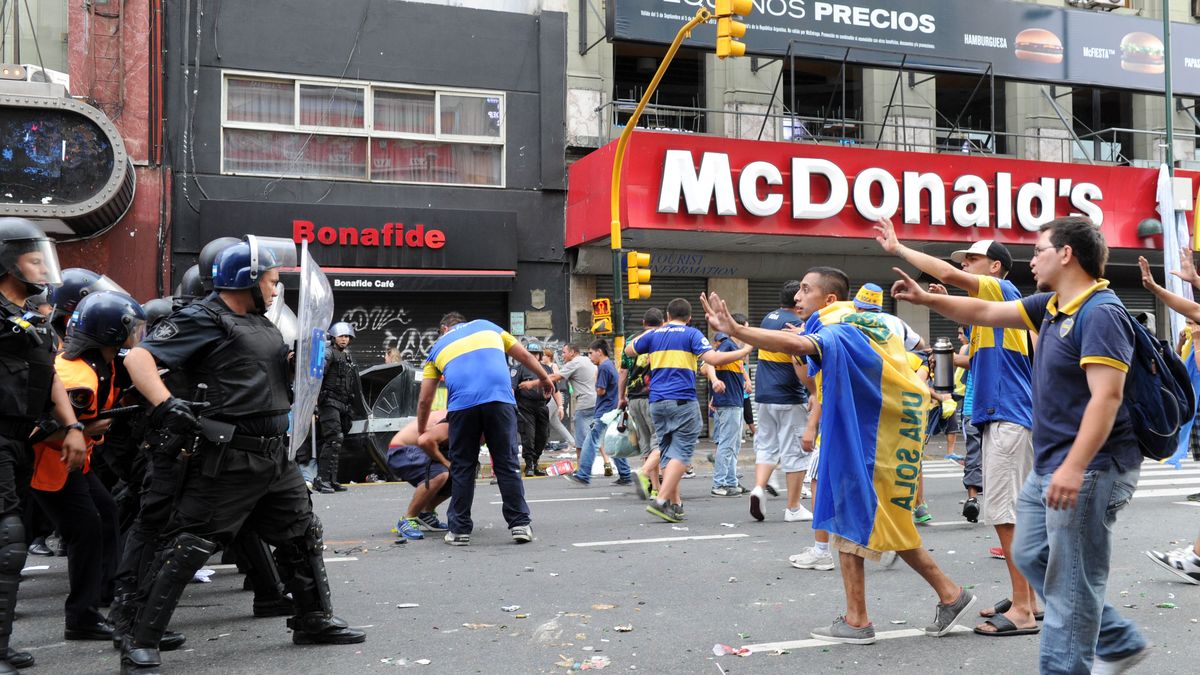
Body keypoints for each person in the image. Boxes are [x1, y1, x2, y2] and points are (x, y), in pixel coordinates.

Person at [892, 216, 1148, 671]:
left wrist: (1074, 467)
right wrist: (928, 299)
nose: (1032, 260)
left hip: (1090, 466)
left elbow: (1107, 397)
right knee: (1031, 553)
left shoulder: (1100, 312)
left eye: (1039, 250)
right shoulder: (1052, 305)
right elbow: (985, 314)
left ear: (1066, 254)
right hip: (1052, 461)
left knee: (1068, 587)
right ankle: (1117, 636)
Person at [120, 238, 366, 674]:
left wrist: (298, 362)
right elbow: (140, 357)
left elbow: (266, 373)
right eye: (271, 281)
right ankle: (141, 639)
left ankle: (312, 619)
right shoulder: (203, 318)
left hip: (274, 455)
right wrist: (165, 403)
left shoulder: (262, 322)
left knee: (301, 532)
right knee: (190, 544)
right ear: (247, 280)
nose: (275, 290)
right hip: (228, 455)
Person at [701, 268, 977, 646]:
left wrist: (738, 330)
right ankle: (946, 595)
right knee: (880, 524)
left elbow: (800, 353)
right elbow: (812, 378)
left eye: (805, 289)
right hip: (877, 436)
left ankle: (860, 619)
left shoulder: (839, 328)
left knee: (853, 523)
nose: (797, 296)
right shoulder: (864, 324)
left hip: (863, 441)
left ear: (830, 299)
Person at [875, 219, 1037, 637]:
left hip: (1007, 415)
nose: (965, 264)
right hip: (1000, 414)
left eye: (974, 259)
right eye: (965, 260)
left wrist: (899, 249)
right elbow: (974, 358)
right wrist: (936, 300)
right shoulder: (991, 315)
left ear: (996, 268)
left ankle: (1022, 609)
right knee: (1014, 511)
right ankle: (1029, 599)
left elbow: (946, 274)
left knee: (1005, 513)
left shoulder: (1002, 291)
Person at [0, 218, 92, 673]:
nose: (42, 267)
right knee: (8, 539)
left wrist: (72, 426)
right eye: (33, 258)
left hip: (20, 440)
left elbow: (49, 376)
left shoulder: (35, 319)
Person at [30, 291, 144, 643]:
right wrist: (79, 430)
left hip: (74, 464)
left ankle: (104, 593)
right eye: (131, 328)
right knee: (85, 530)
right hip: (52, 465)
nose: (136, 335)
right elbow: (34, 432)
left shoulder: (102, 363)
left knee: (106, 512)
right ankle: (81, 616)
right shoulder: (77, 376)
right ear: (110, 332)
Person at [417, 312, 551, 546]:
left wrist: (421, 431)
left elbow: (425, 400)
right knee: (506, 463)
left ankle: (458, 530)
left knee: (463, 466)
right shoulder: (488, 326)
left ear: (445, 329)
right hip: (499, 401)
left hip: (462, 407)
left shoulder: (438, 347)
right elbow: (524, 355)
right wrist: (544, 378)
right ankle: (520, 524)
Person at [625, 298, 750, 523]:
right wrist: (745, 350)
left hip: (657, 402)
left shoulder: (654, 335)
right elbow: (712, 358)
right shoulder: (692, 334)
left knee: (667, 451)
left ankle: (675, 505)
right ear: (689, 318)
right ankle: (661, 500)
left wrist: (655, 331)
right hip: (682, 400)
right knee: (682, 452)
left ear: (666, 315)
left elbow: (629, 350)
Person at [748, 281, 812, 522]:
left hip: (763, 394)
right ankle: (793, 508)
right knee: (794, 452)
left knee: (766, 445)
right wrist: (812, 391)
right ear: (797, 300)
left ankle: (758, 488)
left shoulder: (769, 318)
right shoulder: (794, 324)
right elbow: (799, 363)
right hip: (789, 395)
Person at [313, 322, 366, 494]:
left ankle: (332, 480)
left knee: (337, 440)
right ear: (334, 336)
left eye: (347, 336)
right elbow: (316, 377)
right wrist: (314, 404)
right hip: (328, 402)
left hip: (342, 404)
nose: (344, 339)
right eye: (341, 336)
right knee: (334, 438)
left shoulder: (346, 357)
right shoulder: (328, 353)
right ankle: (321, 479)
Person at [566, 339, 628, 485]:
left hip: (604, 411)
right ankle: (625, 474)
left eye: (591, 353)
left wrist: (595, 381)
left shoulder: (604, 367)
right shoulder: (609, 365)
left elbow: (600, 391)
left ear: (599, 352)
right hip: (611, 409)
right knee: (612, 442)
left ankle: (583, 474)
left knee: (591, 440)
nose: (589, 356)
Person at [386, 410, 452, 540]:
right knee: (439, 473)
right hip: (401, 451)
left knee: (463, 474)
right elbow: (425, 441)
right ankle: (407, 519)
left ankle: (425, 513)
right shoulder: (454, 418)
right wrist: (445, 462)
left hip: (422, 452)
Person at [620, 309, 663, 499]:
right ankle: (652, 481)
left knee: (646, 443)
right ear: (662, 322)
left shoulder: (630, 340)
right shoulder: (662, 337)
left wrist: (621, 397)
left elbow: (622, 372)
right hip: (654, 397)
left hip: (634, 397)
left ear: (643, 321)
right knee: (660, 442)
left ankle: (654, 488)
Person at [705, 326, 749, 496]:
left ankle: (731, 481)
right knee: (727, 443)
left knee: (733, 444)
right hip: (729, 402)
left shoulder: (734, 350)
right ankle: (719, 483)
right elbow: (710, 361)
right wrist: (715, 382)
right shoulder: (727, 344)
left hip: (735, 402)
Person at [550, 344, 598, 469]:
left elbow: (556, 377)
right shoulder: (588, 360)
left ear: (572, 352)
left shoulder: (574, 363)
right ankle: (600, 464)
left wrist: (533, 382)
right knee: (593, 436)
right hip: (595, 402)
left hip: (584, 404)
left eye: (564, 352)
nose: (562, 355)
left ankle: (583, 470)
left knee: (580, 439)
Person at [514, 341, 550, 476]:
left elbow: (555, 389)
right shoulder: (518, 369)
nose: (533, 356)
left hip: (542, 406)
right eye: (531, 353)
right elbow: (512, 388)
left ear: (540, 355)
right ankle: (529, 464)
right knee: (529, 437)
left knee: (543, 436)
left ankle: (535, 462)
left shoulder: (546, 369)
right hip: (525, 407)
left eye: (536, 354)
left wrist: (560, 406)